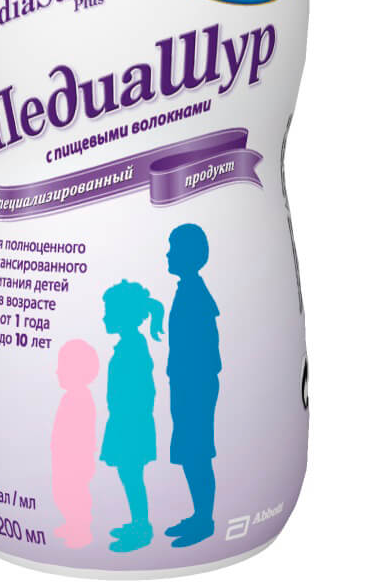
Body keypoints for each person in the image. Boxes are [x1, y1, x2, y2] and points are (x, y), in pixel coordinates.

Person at [164, 224, 221, 547]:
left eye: (173, 249)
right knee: (191, 453)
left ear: (188, 255)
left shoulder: (194, 295)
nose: (167, 254)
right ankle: (200, 515)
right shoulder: (189, 290)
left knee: (197, 453)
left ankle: (204, 521)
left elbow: (205, 349)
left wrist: (189, 384)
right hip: (189, 385)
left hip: (195, 387)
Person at [99, 279, 165, 552]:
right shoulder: (129, 344)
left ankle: (142, 529)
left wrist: (128, 419)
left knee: (132, 475)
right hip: (126, 421)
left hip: (131, 424)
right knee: (129, 475)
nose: (104, 317)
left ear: (122, 315)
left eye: (108, 311)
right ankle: (138, 522)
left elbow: (144, 390)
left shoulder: (133, 347)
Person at [50, 339, 99, 548]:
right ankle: (72, 524)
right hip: (63, 459)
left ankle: (81, 531)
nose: (57, 371)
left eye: (62, 367)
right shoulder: (70, 397)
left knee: (75, 494)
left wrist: (80, 459)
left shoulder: (81, 399)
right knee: (62, 493)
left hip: (76, 461)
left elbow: (83, 434)